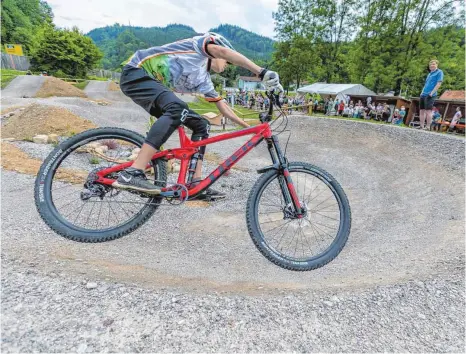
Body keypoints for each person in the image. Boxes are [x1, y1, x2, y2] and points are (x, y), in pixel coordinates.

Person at [115, 32, 283, 199]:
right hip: (137, 72)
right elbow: (223, 52)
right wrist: (261, 72)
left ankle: (195, 182)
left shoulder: (204, 80)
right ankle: (133, 172)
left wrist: (250, 129)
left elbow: (224, 109)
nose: (226, 65)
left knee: (201, 125)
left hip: (151, 86)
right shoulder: (199, 46)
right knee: (178, 108)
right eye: (227, 62)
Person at [419, 59, 443, 130]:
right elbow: (426, 84)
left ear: (436, 65)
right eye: (430, 64)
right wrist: (421, 92)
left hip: (430, 94)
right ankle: (421, 126)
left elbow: (439, 84)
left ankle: (428, 126)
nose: (432, 65)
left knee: (428, 111)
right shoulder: (429, 74)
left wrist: (431, 93)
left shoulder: (439, 72)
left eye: (433, 64)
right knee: (421, 110)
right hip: (423, 94)